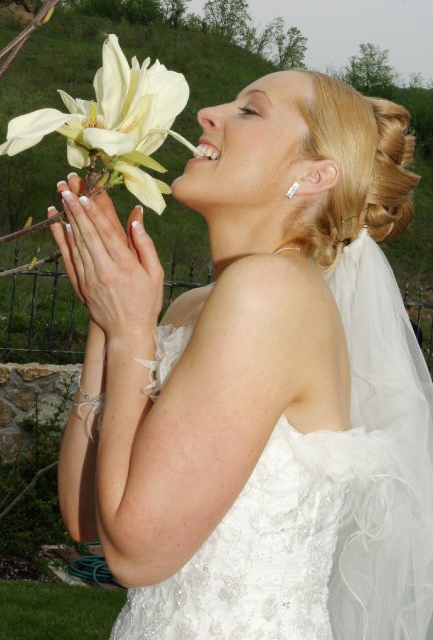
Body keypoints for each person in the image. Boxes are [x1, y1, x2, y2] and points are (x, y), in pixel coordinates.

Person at [49, 70, 433, 639]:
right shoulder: (195, 306)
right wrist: (108, 320)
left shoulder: (271, 292)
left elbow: (134, 557)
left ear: (314, 175)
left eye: (250, 110)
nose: (208, 113)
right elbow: (89, 522)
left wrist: (130, 332)